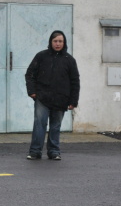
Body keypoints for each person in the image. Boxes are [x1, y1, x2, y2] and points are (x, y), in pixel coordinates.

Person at [25, 30, 80, 160]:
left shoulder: (69, 60)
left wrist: (73, 101)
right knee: (39, 124)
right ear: (51, 42)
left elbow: (75, 81)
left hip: (61, 99)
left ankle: (54, 151)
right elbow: (30, 74)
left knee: (55, 126)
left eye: (60, 41)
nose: (57, 44)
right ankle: (35, 151)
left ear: (64, 43)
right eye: (55, 41)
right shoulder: (41, 56)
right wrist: (32, 91)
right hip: (42, 98)